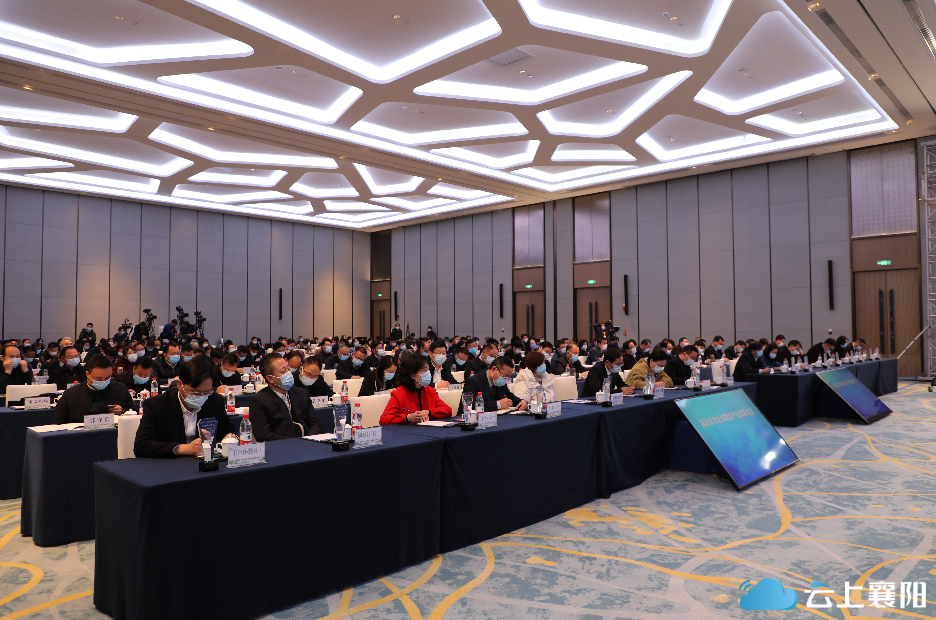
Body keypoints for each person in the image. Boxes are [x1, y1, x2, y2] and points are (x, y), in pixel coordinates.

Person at [133, 356, 236, 458]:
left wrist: (231, 438)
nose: (201, 397)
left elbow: (228, 431)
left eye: (206, 392)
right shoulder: (157, 405)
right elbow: (141, 446)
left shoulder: (214, 400)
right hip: (170, 464)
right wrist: (183, 449)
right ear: (179, 384)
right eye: (195, 392)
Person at [248, 354, 323, 441]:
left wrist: (308, 440)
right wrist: (296, 442)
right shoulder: (259, 400)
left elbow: (316, 423)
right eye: (283, 371)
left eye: (288, 368)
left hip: (308, 442)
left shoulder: (301, 393)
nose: (289, 373)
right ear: (270, 378)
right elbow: (263, 435)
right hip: (282, 445)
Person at [53, 354, 133, 423]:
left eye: (107, 378)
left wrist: (122, 411)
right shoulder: (71, 394)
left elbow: (133, 414)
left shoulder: (120, 389)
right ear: (87, 374)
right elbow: (58, 422)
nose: (103, 381)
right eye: (99, 378)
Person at [379, 354, 453, 424]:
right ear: (413, 375)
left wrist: (429, 412)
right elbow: (384, 419)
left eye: (428, 369)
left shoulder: (429, 390)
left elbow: (448, 410)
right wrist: (407, 418)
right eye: (424, 370)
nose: (428, 373)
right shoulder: (399, 393)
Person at [463, 356, 528, 412]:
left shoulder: (499, 381)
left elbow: (509, 395)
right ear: (494, 369)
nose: (505, 379)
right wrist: (498, 404)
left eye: (508, 377)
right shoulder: (473, 381)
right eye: (505, 376)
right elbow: (471, 404)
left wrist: (521, 402)